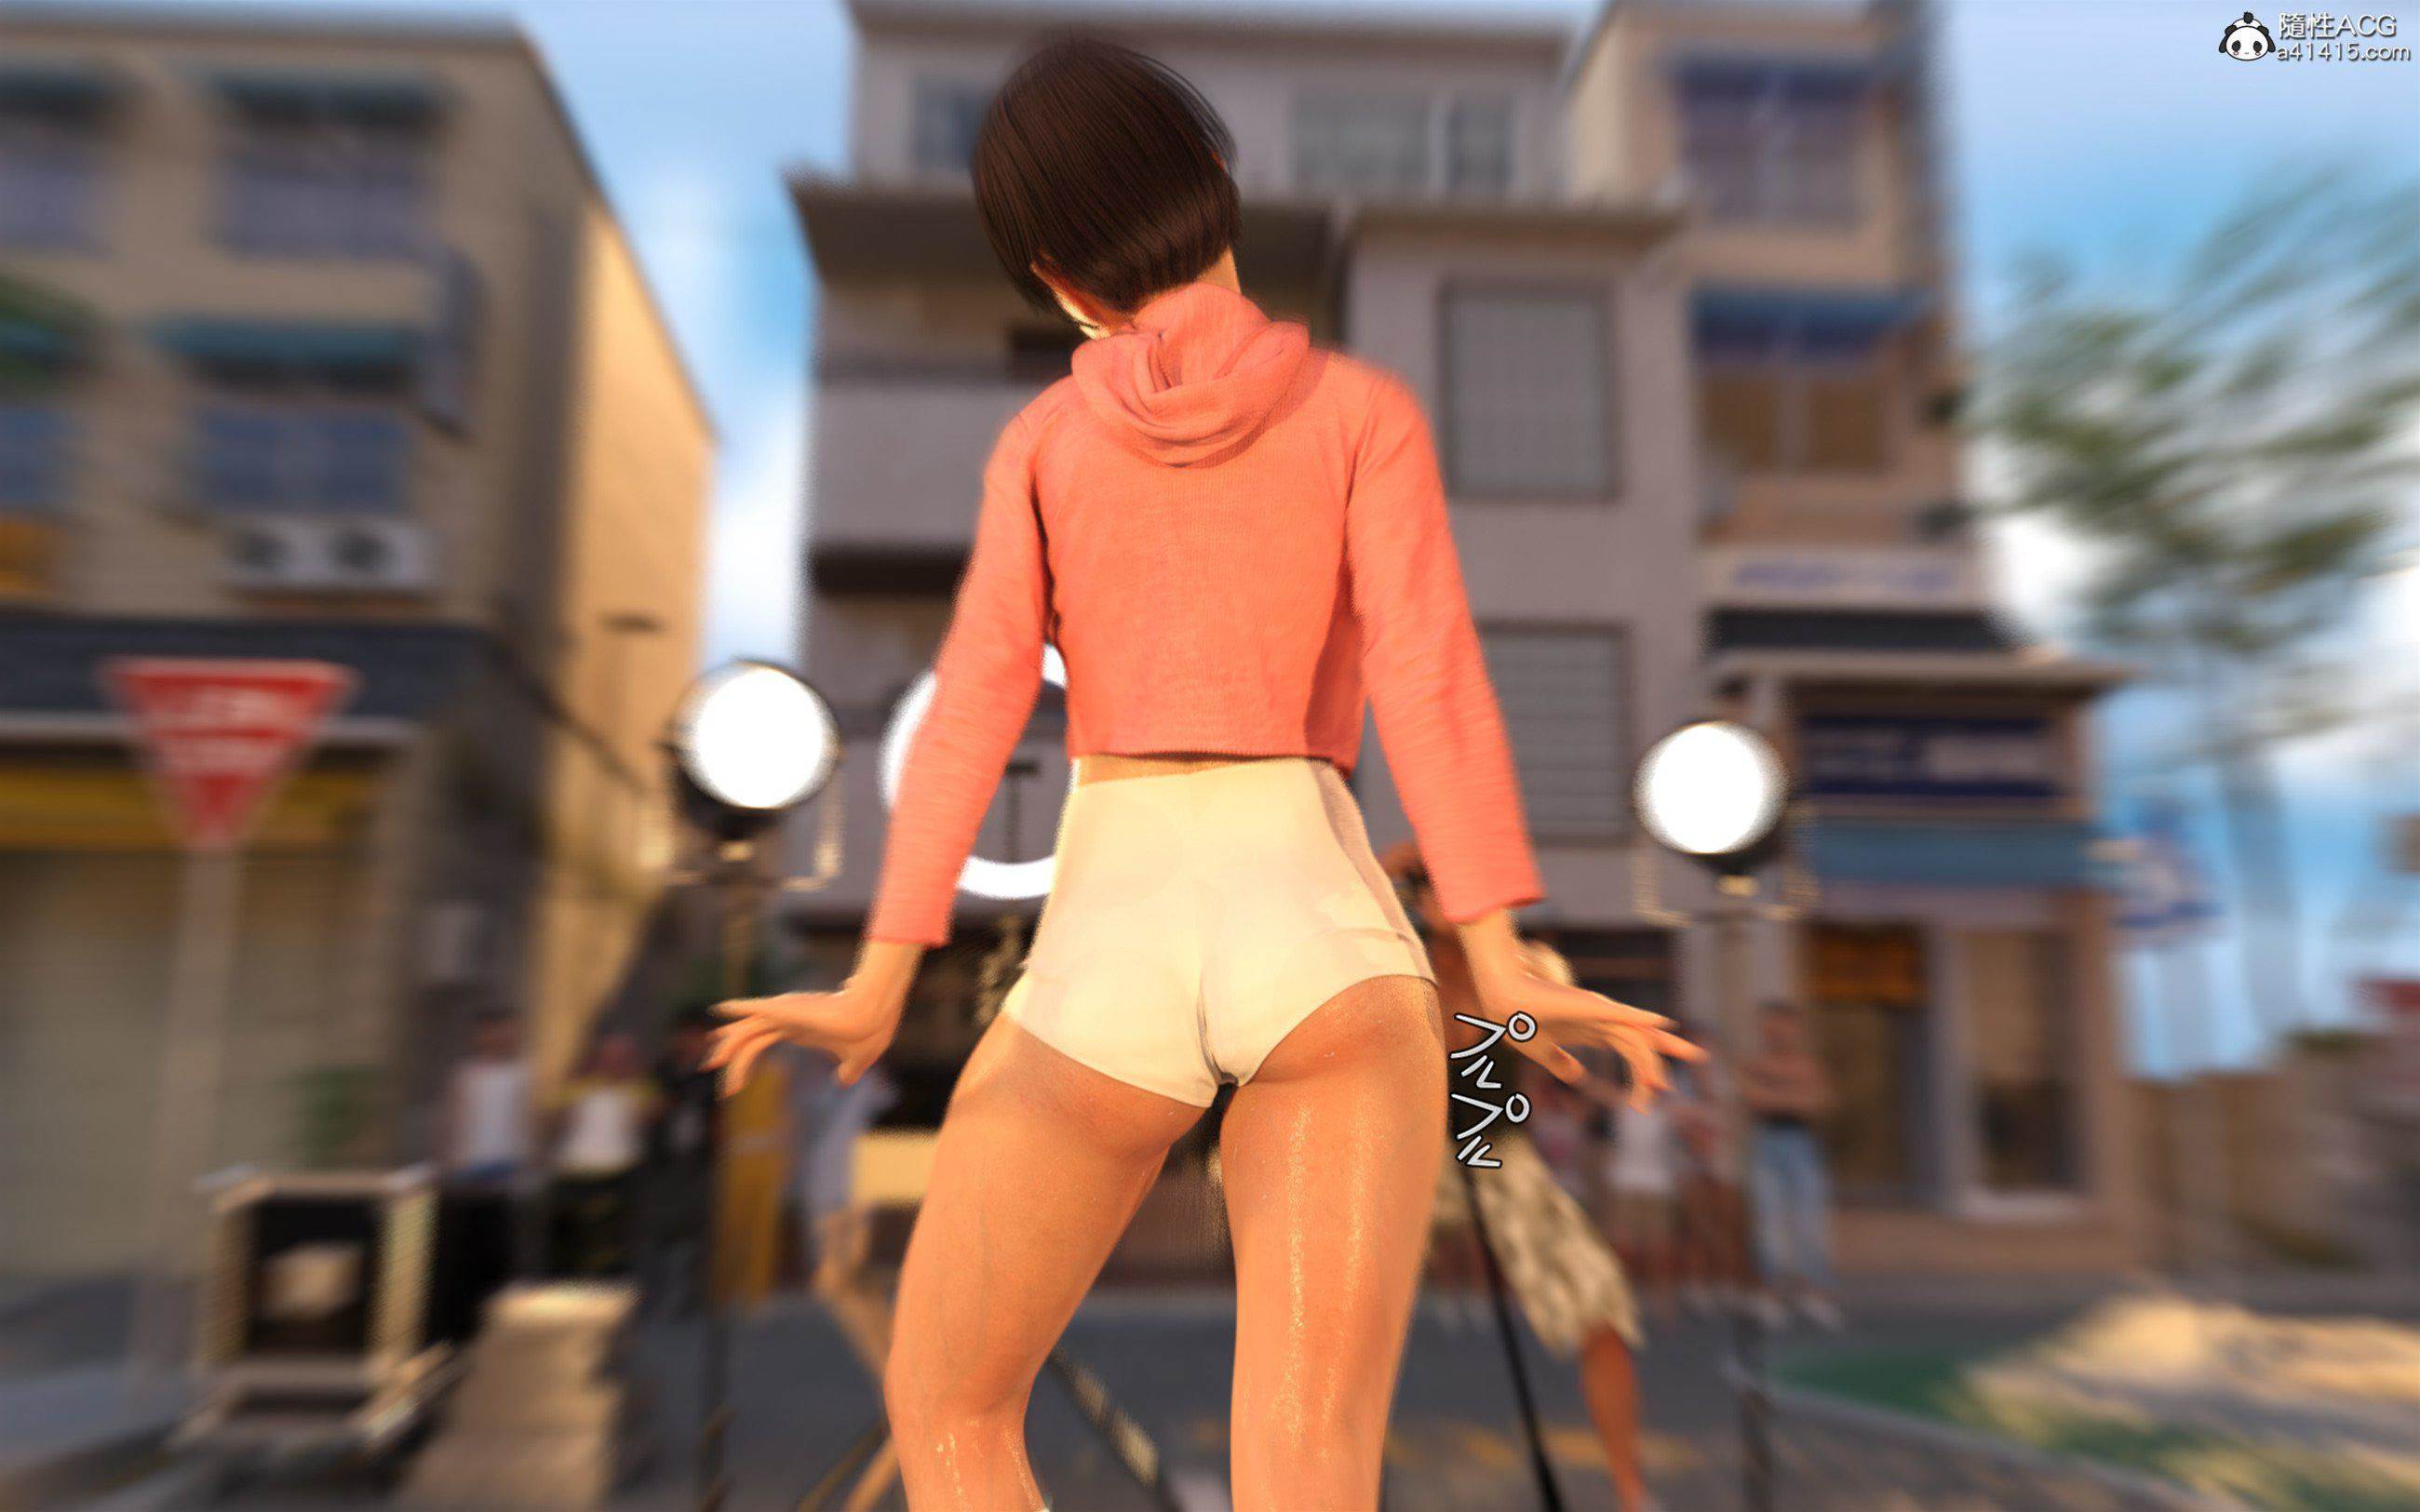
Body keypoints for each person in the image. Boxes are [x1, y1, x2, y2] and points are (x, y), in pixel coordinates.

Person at [704, 36, 1699, 1510]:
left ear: (1056, 278)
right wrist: (1501, 956)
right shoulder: (1364, 415)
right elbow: (1431, 683)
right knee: (1307, 1469)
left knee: (951, 1407)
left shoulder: (1042, 447)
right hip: (1320, 931)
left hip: (1112, 937)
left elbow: (972, 707)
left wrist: (879, 977)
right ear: (1219, 178)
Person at [1386, 842, 1659, 1512]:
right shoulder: (1392, 958)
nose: (1450, 901)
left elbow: (1564, 1013)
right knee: (1338, 1325)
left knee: (1600, 1310)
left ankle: (1631, 1493)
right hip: (1404, 1156)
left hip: (1498, 1153)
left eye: (1461, 886)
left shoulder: (1521, 966)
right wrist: (1394, 864)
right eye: (1434, 887)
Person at [431, 1009, 536, 1343]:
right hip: (466, 1175)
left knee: (498, 1255)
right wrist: (446, 1165)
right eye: (494, 1031)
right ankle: (458, 1329)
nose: (501, 1038)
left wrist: (526, 1168)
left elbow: (526, 1124)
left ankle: (494, 1326)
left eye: (507, 1031)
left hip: (504, 1177)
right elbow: (451, 1122)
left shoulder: (522, 1075)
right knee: (462, 1256)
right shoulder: (465, 1075)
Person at [1739, 1000, 1841, 1329]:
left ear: (1795, 1029)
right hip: (1767, 1143)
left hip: (1802, 1144)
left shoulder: (1809, 1065)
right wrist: (1795, 1093)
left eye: (1783, 1027)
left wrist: (1778, 1092)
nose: (1777, 1033)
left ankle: (1814, 1293)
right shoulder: (1754, 1064)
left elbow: (1820, 1102)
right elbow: (1754, 1100)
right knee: (1768, 1224)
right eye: (1771, 1027)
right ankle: (1771, 1294)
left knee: (1810, 1223)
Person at [546, 1028, 657, 1278]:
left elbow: (650, 1117)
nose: (613, 1063)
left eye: (620, 1057)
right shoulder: (576, 1088)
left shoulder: (639, 1089)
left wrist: (631, 1087)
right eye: (608, 1056)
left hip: (619, 1174)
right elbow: (555, 1123)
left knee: (612, 1243)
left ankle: (610, 1282)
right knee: (573, 1242)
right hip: (576, 1172)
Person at [641, 1010, 720, 1318]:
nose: (691, 1042)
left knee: (697, 1230)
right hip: (664, 1158)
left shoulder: (713, 1074)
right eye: (686, 1036)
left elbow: (721, 1117)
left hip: (700, 1160)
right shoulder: (662, 1072)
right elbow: (649, 1110)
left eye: (698, 1036)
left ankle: (690, 1298)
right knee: (659, 1228)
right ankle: (656, 1294)